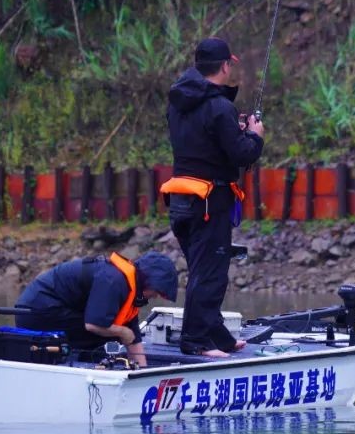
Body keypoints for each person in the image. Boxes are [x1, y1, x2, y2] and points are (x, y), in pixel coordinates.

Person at [163, 37, 264, 357]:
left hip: (180, 201)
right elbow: (239, 154)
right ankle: (195, 343)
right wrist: (254, 136)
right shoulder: (220, 106)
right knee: (209, 274)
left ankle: (217, 335)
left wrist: (233, 130)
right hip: (209, 203)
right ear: (224, 66)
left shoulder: (178, 102)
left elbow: (201, 143)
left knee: (202, 271)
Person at [13, 251, 178, 368]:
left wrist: (143, 371)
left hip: (58, 310)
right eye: (157, 291)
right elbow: (93, 325)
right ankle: (80, 364)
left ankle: (83, 359)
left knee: (115, 332)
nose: (155, 296)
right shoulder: (113, 281)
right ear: (147, 281)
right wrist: (121, 333)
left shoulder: (130, 289)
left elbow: (133, 337)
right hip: (36, 311)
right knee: (104, 332)